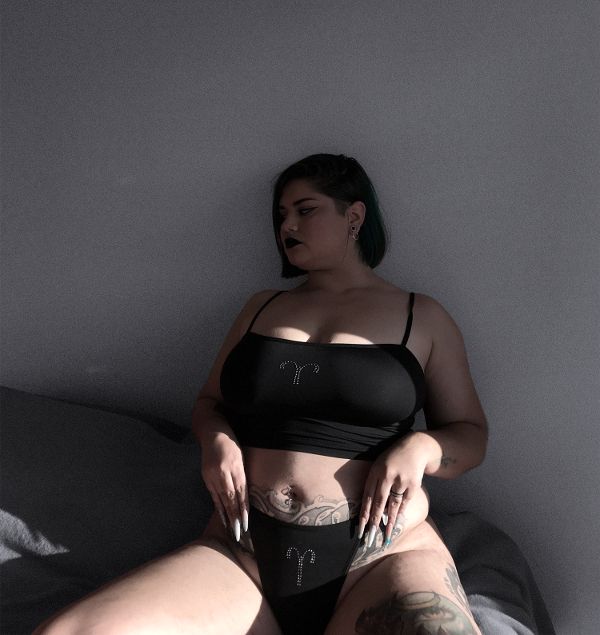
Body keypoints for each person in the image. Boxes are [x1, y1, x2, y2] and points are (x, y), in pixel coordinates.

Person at [35, 153, 488, 635]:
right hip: (243, 557)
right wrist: (216, 440)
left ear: (354, 216)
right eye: (281, 215)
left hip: (378, 560)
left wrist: (420, 447)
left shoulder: (422, 316)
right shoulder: (261, 308)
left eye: (305, 210)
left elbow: (471, 435)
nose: (287, 225)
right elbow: (209, 404)